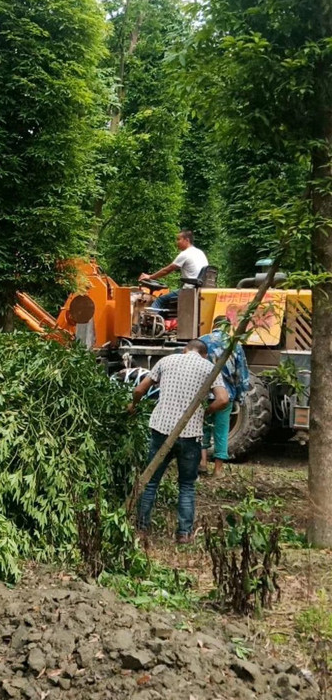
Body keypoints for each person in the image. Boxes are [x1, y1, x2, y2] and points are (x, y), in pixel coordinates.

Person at [130, 341, 229, 543]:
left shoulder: (166, 361)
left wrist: (133, 405)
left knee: (150, 482)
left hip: (161, 430)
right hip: (190, 435)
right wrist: (205, 411)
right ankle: (184, 533)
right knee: (186, 485)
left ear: (185, 350)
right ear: (204, 354)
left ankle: (141, 528)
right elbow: (223, 399)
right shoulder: (209, 368)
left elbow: (140, 390)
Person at [200, 317, 251, 477]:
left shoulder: (202, 341)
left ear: (214, 325)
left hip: (204, 394)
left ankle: (202, 463)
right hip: (225, 396)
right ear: (228, 327)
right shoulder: (235, 344)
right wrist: (240, 396)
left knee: (202, 428)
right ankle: (218, 470)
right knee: (221, 431)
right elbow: (241, 373)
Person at [139, 230, 209, 316]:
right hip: (200, 288)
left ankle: (150, 319)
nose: (177, 242)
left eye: (179, 239)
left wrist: (150, 277)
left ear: (187, 240)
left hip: (189, 290)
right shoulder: (200, 252)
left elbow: (167, 270)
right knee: (167, 300)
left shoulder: (186, 254)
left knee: (160, 300)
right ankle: (162, 321)